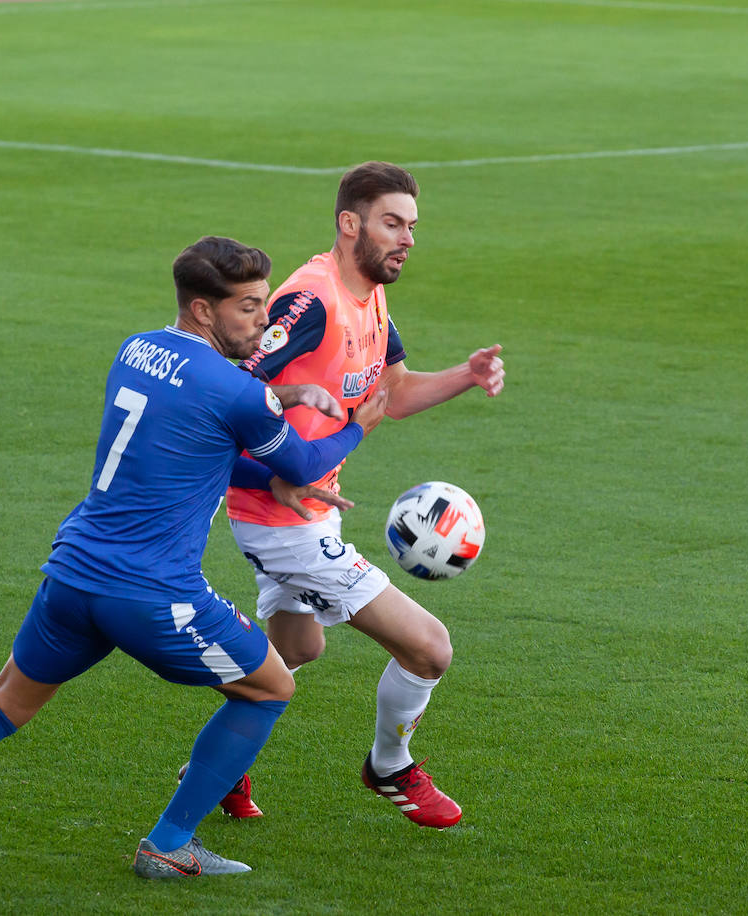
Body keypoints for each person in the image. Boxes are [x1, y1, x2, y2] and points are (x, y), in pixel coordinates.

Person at [0, 236, 387, 880]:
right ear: (201, 310)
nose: (264, 322)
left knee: (3, 704)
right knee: (270, 686)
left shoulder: (136, 349)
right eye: (248, 308)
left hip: (72, 575)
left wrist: (289, 392)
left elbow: (201, 424)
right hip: (152, 592)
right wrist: (361, 422)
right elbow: (302, 463)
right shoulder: (237, 393)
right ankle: (169, 843)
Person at [219, 162, 504, 829]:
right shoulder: (309, 303)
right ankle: (389, 768)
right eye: (391, 223)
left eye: (411, 226)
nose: (406, 238)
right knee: (429, 647)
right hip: (281, 519)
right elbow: (228, 405)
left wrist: (465, 374)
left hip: (308, 510)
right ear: (350, 224)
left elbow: (393, 395)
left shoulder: (371, 295)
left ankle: (220, 762)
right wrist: (276, 476)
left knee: (295, 652)